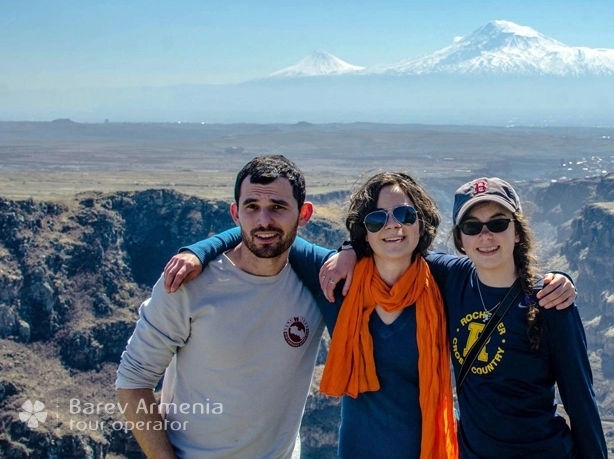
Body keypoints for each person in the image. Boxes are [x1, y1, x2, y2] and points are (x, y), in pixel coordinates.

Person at [168, 172, 577, 458]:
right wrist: (198, 251)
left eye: (405, 215)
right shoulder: (338, 282)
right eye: (377, 218)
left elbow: (501, 272)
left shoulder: (444, 283)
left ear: (421, 223)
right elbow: (267, 231)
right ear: (363, 230)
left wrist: (555, 281)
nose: (392, 226)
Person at [320, 177, 607, 458]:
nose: (486, 236)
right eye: (472, 227)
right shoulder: (452, 278)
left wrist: (561, 279)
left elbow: (580, 400)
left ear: (517, 232)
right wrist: (349, 249)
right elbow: (394, 247)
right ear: (460, 239)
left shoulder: (549, 301)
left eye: (498, 223)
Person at [116, 155, 332, 459]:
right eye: (251, 207)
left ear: (304, 213)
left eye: (278, 207)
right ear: (235, 213)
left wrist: (349, 251)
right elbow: (133, 381)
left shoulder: (317, 285)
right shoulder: (187, 284)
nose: (264, 220)